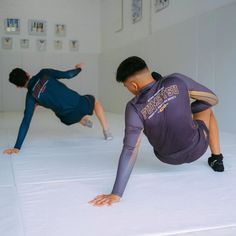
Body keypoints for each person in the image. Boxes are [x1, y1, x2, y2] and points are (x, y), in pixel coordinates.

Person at [90, 56, 224, 207]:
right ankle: (216, 158)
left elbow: (130, 150)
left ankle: (215, 157)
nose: (128, 89)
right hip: (197, 149)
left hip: (167, 158)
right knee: (208, 109)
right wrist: (184, 107)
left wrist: (116, 193)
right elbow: (213, 99)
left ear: (133, 85)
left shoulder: (133, 108)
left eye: (126, 86)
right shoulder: (177, 80)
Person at [3, 64, 112, 155]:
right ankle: (106, 131)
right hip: (79, 104)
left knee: (56, 108)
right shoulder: (44, 73)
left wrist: (17, 147)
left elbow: (25, 122)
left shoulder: (31, 98)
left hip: (67, 118)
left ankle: (82, 121)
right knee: (95, 102)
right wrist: (79, 68)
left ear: (18, 87)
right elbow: (68, 75)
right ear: (27, 74)